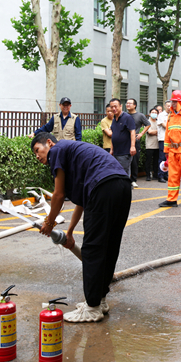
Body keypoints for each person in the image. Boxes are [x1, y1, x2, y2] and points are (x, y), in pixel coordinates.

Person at [31, 133, 131, 322]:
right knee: (109, 245)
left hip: (103, 187)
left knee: (92, 249)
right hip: (122, 186)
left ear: (49, 143)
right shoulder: (75, 157)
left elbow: (58, 195)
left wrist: (49, 223)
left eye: (38, 150)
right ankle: (100, 300)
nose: (37, 156)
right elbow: (82, 202)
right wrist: (69, 232)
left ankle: (92, 307)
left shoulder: (57, 151)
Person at [125, 98, 151, 188]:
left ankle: (133, 180)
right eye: (127, 103)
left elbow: (148, 124)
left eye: (130, 103)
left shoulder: (140, 115)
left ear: (135, 105)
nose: (128, 104)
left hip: (135, 141)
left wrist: (141, 134)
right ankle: (125, 179)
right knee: (124, 160)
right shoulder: (124, 115)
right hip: (125, 141)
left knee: (134, 161)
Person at [109, 98, 136, 179]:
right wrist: (111, 149)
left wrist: (132, 146)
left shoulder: (127, 117)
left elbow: (132, 132)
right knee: (117, 172)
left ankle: (126, 186)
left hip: (125, 152)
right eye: (112, 107)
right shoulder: (114, 119)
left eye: (115, 106)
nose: (114, 108)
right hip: (116, 152)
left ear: (121, 106)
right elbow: (114, 135)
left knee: (124, 173)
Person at [157, 101, 171, 183]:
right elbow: (165, 126)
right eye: (168, 106)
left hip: (171, 140)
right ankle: (160, 175)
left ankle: (166, 174)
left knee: (169, 158)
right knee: (162, 157)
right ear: (165, 106)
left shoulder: (173, 114)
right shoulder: (161, 115)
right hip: (163, 139)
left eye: (170, 106)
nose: (169, 107)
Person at [145, 108, 159, 181]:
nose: (154, 114)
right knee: (149, 161)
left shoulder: (158, 122)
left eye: (155, 112)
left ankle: (155, 175)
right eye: (152, 112)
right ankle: (148, 175)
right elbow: (149, 132)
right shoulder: (147, 122)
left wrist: (155, 132)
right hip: (149, 145)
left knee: (156, 161)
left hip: (157, 145)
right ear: (150, 114)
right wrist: (158, 131)